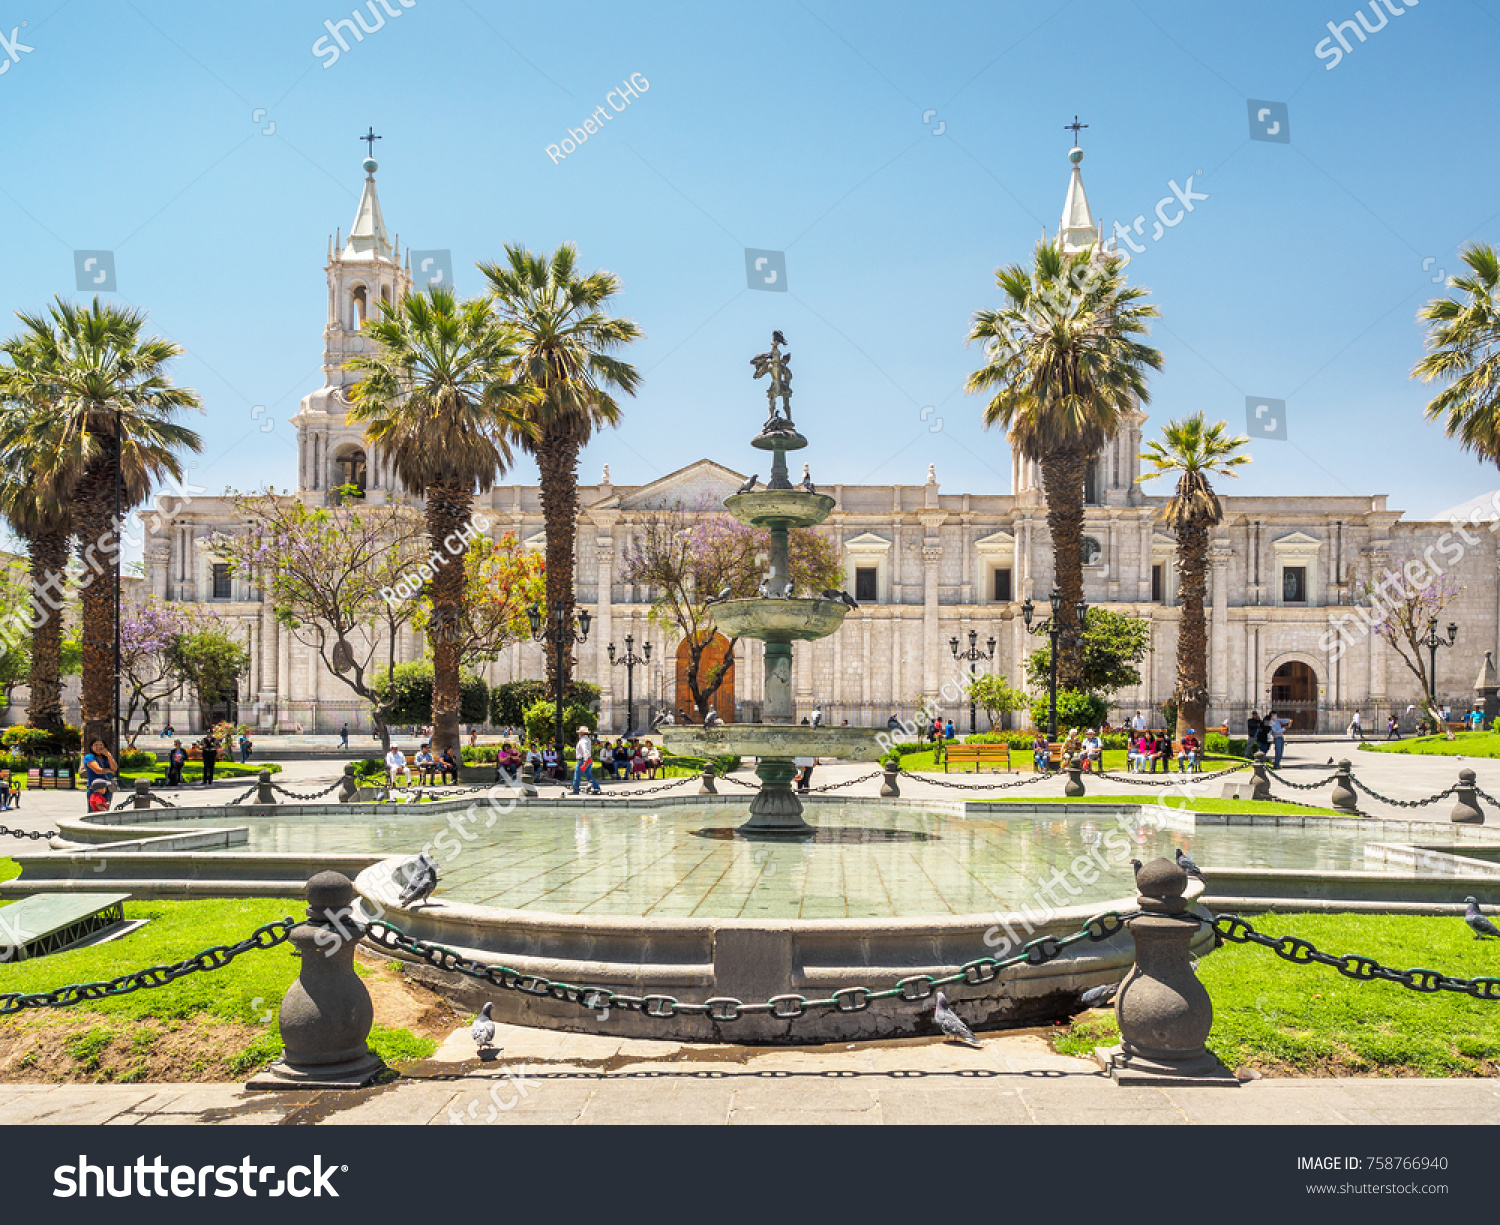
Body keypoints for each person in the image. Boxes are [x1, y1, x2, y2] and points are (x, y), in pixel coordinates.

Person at [82, 739, 118, 808]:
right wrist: (109, 771)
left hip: (107, 787)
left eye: (101, 745)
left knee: (105, 809)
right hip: (95, 788)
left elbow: (114, 768)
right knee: (94, 809)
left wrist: (109, 756)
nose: (99, 747)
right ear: (91, 747)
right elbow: (98, 770)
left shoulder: (106, 758)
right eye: (96, 745)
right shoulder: (89, 757)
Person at [572, 727, 601, 795]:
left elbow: (585, 751)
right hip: (588, 759)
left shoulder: (583, 741)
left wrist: (585, 761)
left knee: (577, 775)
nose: (578, 734)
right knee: (588, 775)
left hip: (583, 760)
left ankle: (575, 789)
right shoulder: (587, 740)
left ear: (582, 733)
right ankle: (596, 787)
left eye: (579, 732)